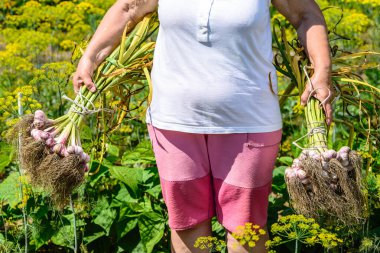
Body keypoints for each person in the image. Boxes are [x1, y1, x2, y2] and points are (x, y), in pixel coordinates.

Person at [73, 0, 333, 252]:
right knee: (187, 224)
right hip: (174, 122)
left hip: (249, 120)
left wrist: (322, 71)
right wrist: (89, 59)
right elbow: (129, 8)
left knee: (246, 228)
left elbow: (305, 15)